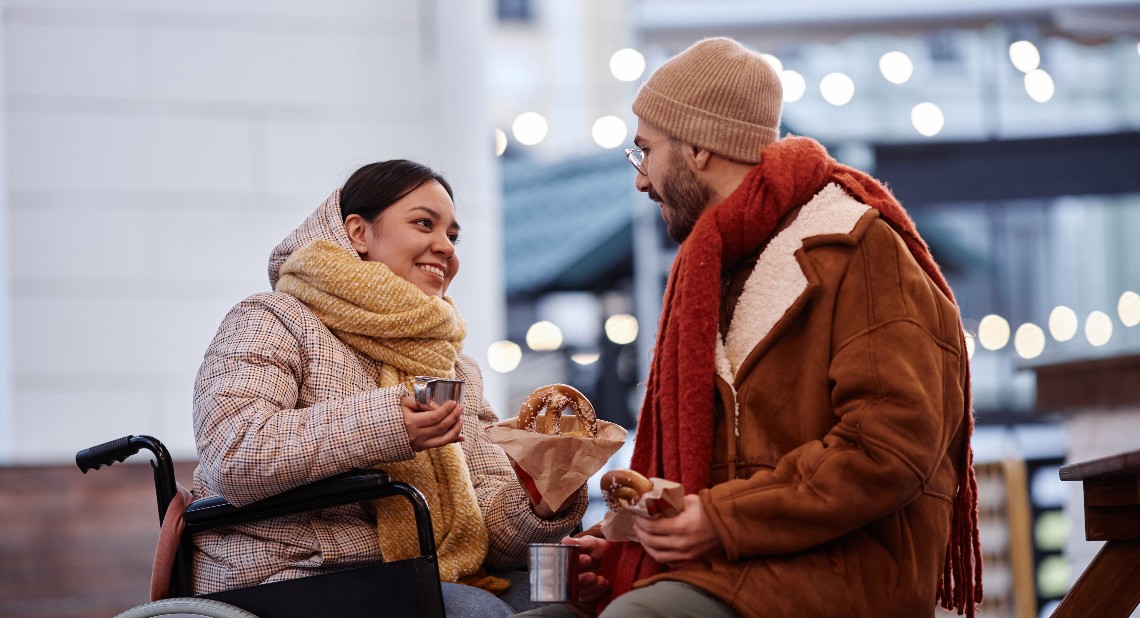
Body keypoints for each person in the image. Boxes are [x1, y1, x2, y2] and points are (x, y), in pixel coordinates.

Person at [517, 37, 982, 618]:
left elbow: (887, 449)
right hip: (741, 568)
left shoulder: (858, 249)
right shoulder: (720, 267)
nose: (639, 179)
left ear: (699, 149)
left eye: (645, 151)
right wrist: (622, 545)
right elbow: (709, 476)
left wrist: (720, 520)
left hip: (843, 574)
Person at [190, 159, 587, 616]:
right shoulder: (272, 318)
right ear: (358, 233)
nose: (445, 248)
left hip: (425, 572)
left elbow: (491, 539)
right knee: (475, 612)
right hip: (289, 573)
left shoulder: (454, 365)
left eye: (453, 237)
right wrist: (391, 421)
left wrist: (543, 492)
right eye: (424, 224)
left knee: (568, 597)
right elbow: (235, 454)